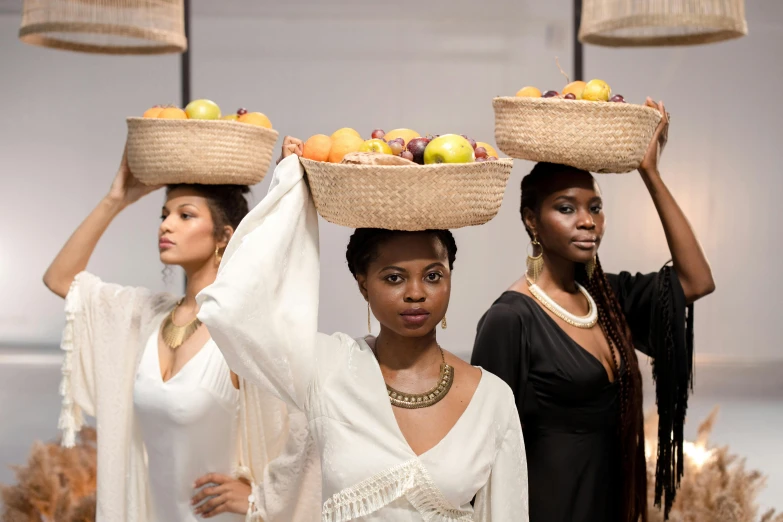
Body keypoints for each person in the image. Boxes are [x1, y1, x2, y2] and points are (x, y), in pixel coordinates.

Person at [197, 137, 530, 521]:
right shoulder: (325, 369)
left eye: (434, 275)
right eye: (393, 278)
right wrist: (289, 194)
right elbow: (230, 310)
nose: (416, 293)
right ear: (362, 284)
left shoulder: (492, 399)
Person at [42, 147, 320, 521]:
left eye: (185, 215)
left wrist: (261, 497)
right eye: (164, 214)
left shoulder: (243, 332)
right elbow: (60, 280)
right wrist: (116, 199)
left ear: (225, 236)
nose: (166, 225)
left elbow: (307, 431)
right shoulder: (144, 318)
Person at [470, 99, 716, 522]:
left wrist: (650, 173)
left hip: (611, 504)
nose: (587, 221)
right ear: (532, 220)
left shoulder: (606, 297)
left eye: (595, 208)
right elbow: (483, 452)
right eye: (566, 208)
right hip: (549, 508)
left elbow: (696, 281)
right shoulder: (510, 320)